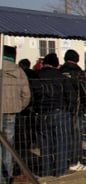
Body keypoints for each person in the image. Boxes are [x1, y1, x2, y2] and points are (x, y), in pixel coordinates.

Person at [32, 53, 76, 177]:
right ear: (56, 64)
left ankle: (46, 171)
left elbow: (32, 95)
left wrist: (35, 109)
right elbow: (71, 96)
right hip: (60, 112)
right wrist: (69, 110)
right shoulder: (61, 77)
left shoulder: (36, 76)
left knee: (45, 144)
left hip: (42, 113)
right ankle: (59, 171)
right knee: (61, 142)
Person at [0, 46, 31, 184]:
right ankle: (5, 177)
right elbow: (26, 94)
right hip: (11, 112)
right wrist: (19, 106)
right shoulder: (18, 71)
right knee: (8, 147)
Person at [59, 49, 86, 171]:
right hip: (76, 108)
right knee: (76, 135)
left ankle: (62, 160)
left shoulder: (60, 71)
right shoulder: (78, 73)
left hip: (60, 109)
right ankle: (74, 161)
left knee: (63, 135)